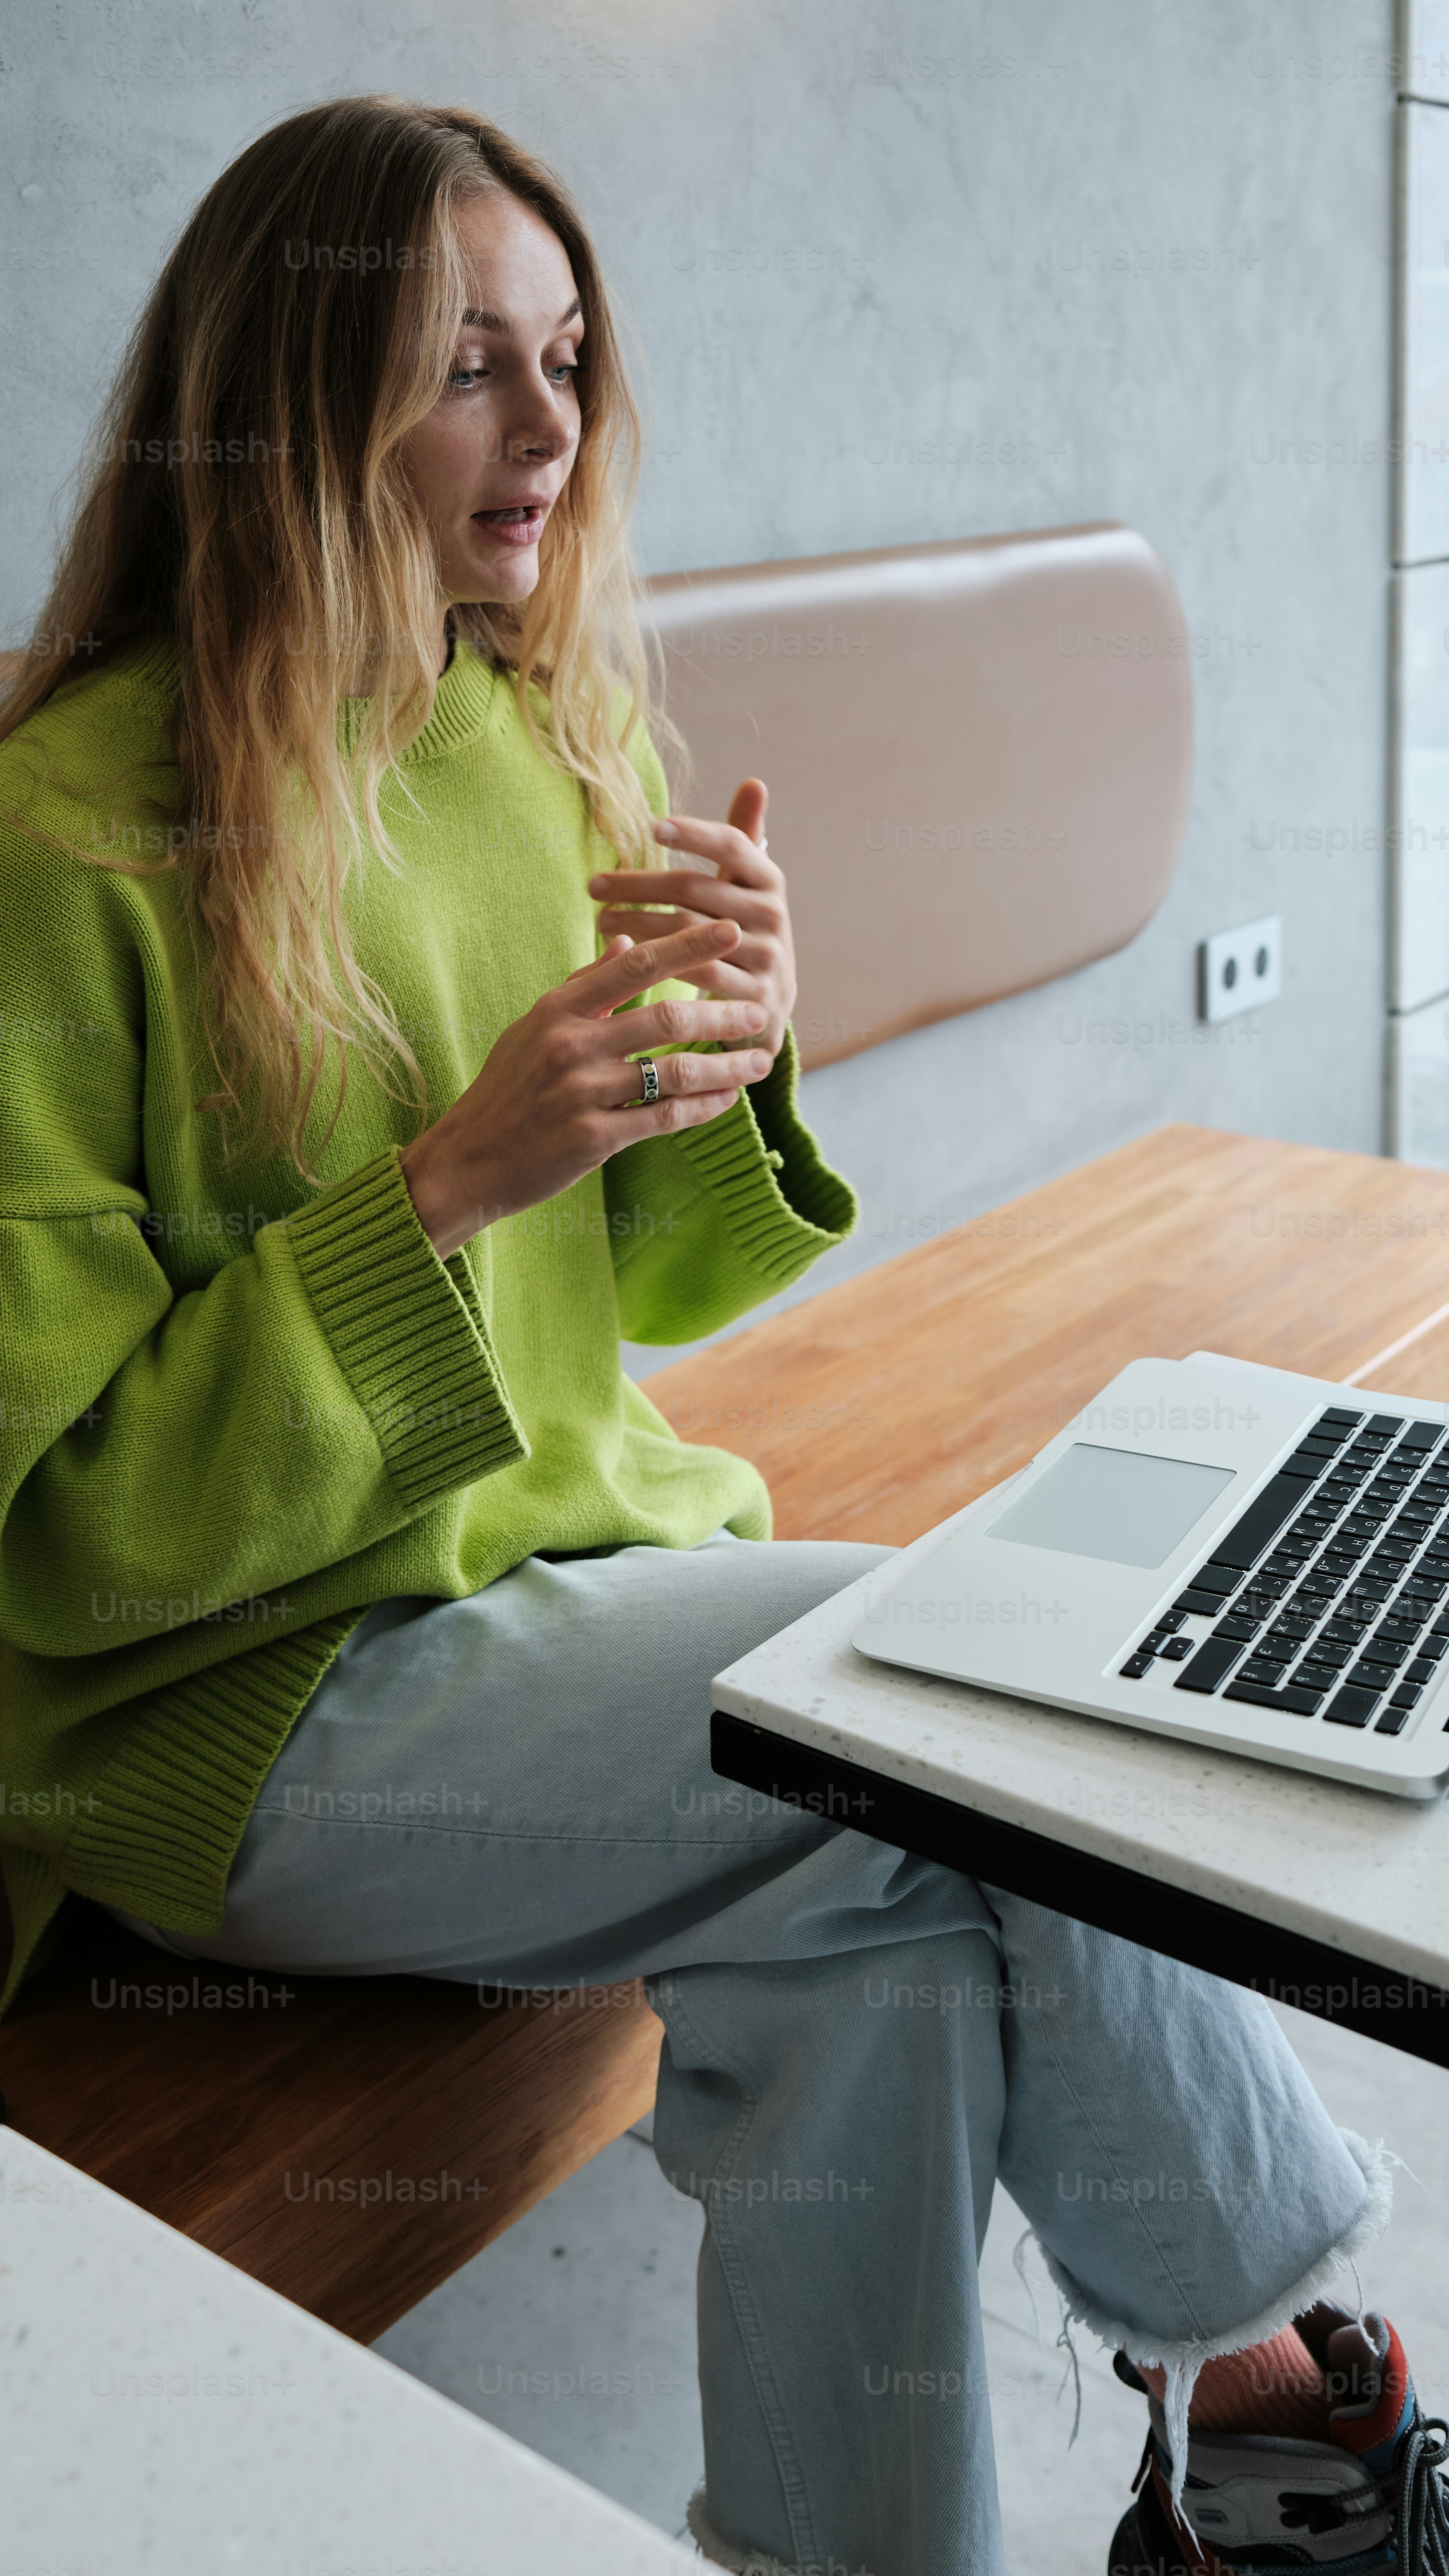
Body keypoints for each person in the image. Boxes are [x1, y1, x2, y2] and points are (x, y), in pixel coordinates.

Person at [0, 94, 1443, 2576]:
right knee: (963, 1709)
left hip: (559, 1591)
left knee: (855, 1929)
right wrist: (443, 1183)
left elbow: (617, 1294)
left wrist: (733, 1043)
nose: (551, 429)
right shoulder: (64, 848)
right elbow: (67, 1551)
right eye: (469, 366)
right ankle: (1273, 2405)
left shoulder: (510, 726)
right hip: (231, 1720)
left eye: (569, 356)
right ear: (294, 392)